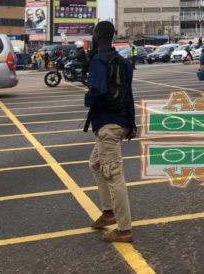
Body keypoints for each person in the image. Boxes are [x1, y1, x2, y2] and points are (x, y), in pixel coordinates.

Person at [85, 21, 136, 243]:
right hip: (121, 121)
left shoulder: (99, 60)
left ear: (98, 36)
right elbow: (129, 94)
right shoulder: (123, 62)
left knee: (114, 175)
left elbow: (97, 91)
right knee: (95, 163)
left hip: (107, 125)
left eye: (94, 34)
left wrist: (87, 99)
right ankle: (108, 212)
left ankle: (124, 229)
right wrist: (132, 124)